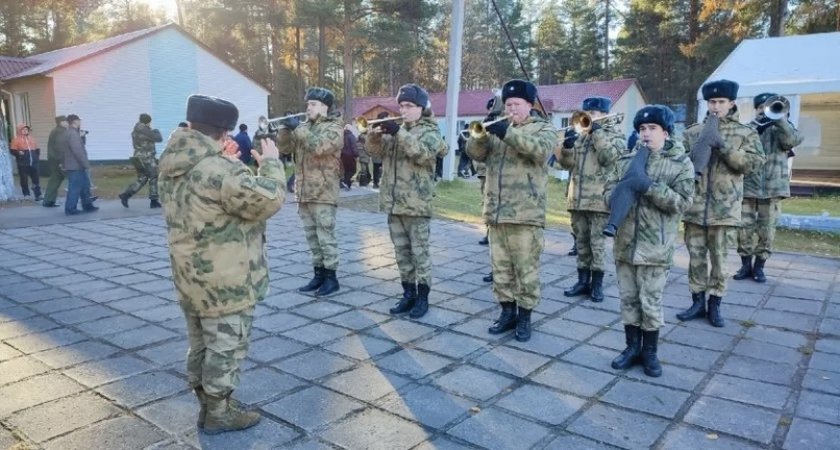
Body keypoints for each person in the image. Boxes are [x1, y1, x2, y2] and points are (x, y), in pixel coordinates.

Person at [158, 94, 286, 434]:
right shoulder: (220, 170)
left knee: (200, 342)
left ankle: (206, 405)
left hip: (190, 275)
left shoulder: (173, 160)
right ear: (224, 133)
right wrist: (271, 163)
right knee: (227, 346)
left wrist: (226, 161)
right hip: (225, 278)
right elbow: (268, 200)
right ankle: (219, 413)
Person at [604, 105, 694, 378]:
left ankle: (650, 352)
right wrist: (623, 189)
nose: (645, 134)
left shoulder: (680, 163)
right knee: (628, 300)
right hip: (626, 245)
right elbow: (607, 195)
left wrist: (648, 186)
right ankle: (631, 348)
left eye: (652, 128)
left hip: (655, 248)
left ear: (666, 132)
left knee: (650, 302)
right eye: (642, 129)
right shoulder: (624, 161)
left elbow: (683, 204)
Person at [466, 79, 558, 342]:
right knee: (501, 269)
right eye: (508, 104)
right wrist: (480, 136)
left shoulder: (544, 129)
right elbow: (475, 154)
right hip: (496, 213)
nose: (512, 108)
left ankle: (525, 317)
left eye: (516, 104)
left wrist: (507, 132)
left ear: (529, 105)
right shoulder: (497, 128)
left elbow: (540, 152)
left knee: (526, 271)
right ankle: (507, 312)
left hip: (525, 214)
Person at [678, 79, 765, 327]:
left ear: (731, 103)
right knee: (695, 258)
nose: (716, 106)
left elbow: (754, 165)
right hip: (694, 207)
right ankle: (696, 302)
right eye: (712, 102)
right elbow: (678, 163)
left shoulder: (745, 133)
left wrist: (724, 147)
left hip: (724, 210)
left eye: (721, 102)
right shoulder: (693, 131)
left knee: (719, 260)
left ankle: (715, 304)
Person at [366, 84, 447, 319]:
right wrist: (373, 136)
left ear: (421, 108)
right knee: (401, 253)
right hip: (394, 203)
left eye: (409, 106)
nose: (404, 110)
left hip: (416, 204)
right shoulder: (397, 130)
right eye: (401, 105)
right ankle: (408, 293)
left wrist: (398, 132)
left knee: (419, 253)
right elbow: (375, 154)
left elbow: (421, 153)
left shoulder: (431, 131)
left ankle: (423, 297)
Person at [556, 96, 625, 302]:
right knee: (582, 244)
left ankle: (597, 285)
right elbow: (567, 164)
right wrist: (567, 147)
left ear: (605, 114)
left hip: (600, 201)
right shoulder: (581, 137)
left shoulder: (615, 135)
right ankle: (582, 281)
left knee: (597, 245)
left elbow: (608, 158)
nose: (589, 117)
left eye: (594, 114)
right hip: (577, 199)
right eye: (587, 114)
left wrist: (598, 133)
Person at [277, 87, 344, 296]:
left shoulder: (334, 127)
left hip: (323, 192)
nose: (308, 108)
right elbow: (285, 149)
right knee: (312, 238)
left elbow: (319, 147)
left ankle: (331, 278)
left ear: (324, 107)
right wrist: (285, 130)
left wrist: (299, 129)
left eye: (312, 104)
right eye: (307, 104)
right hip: (304, 190)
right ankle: (318, 275)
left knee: (325, 237)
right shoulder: (303, 126)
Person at [733, 93, 804, 283]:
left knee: (767, 231)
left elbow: (792, 141)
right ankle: (745, 265)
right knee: (743, 229)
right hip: (747, 187)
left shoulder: (784, 129)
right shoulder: (748, 129)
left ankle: (759, 267)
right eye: (760, 108)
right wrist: (755, 127)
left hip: (773, 189)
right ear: (756, 110)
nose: (764, 111)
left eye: (768, 107)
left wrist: (780, 121)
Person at [119, 113, 163, 208]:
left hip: (137, 157)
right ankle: (154, 201)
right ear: (148, 122)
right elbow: (159, 139)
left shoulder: (135, 130)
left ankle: (126, 195)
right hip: (147, 157)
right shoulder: (145, 130)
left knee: (142, 178)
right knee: (154, 176)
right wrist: (156, 131)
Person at [62, 114, 98, 215]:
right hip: (76, 165)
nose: (80, 122)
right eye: (79, 120)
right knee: (75, 188)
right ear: (75, 121)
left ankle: (88, 205)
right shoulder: (73, 134)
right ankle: (70, 209)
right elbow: (78, 151)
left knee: (85, 186)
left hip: (74, 165)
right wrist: (85, 164)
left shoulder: (69, 132)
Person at [10, 124, 42, 201]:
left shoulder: (32, 139)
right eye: (23, 130)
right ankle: (26, 194)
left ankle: (38, 195)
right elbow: (12, 151)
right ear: (19, 131)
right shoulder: (15, 140)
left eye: (26, 130)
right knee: (24, 179)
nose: (25, 131)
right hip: (23, 163)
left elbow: (37, 149)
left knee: (36, 179)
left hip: (34, 162)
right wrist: (18, 153)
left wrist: (36, 158)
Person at [42, 116, 69, 207]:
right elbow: (60, 147)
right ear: (60, 122)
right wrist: (62, 161)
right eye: (65, 121)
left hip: (54, 159)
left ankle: (48, 200)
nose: (67, 123)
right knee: (74, 178)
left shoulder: (56, 131)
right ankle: (85, 198)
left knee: (55, 180)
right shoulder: (60, 132)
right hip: (58, 160)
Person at [340, 124, 359, 190]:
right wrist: (356, 154)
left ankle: (347, 184)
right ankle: (346, 182)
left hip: (343, 156)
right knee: (353, 170)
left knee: (346, 170)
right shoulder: (351, 136)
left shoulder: (342, 136)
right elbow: (354, 146)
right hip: (350, 156)